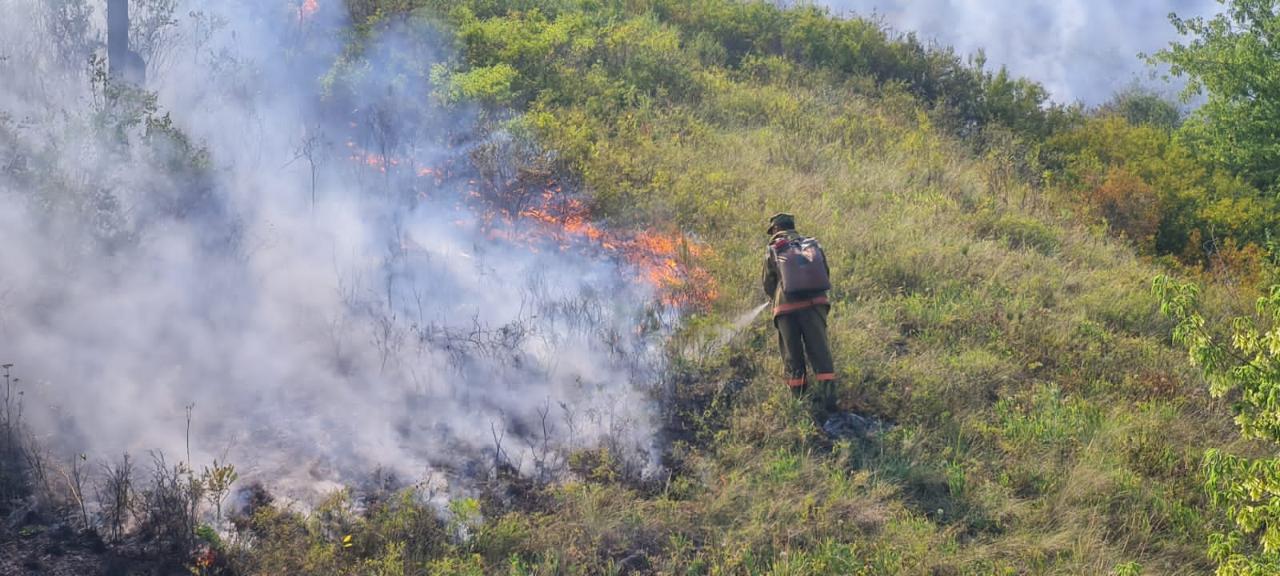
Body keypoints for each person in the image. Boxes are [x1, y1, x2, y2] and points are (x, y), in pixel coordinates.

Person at [761, 213, 837, 415]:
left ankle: (799, 400)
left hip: (786, 310)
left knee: (792, 355)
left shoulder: (774, 249)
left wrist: (776, 297)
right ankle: (829, 399)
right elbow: (825, 273)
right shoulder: (812, 245)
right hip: (815, 305)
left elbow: (768, 283)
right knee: (820, 351)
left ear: (776, 229)